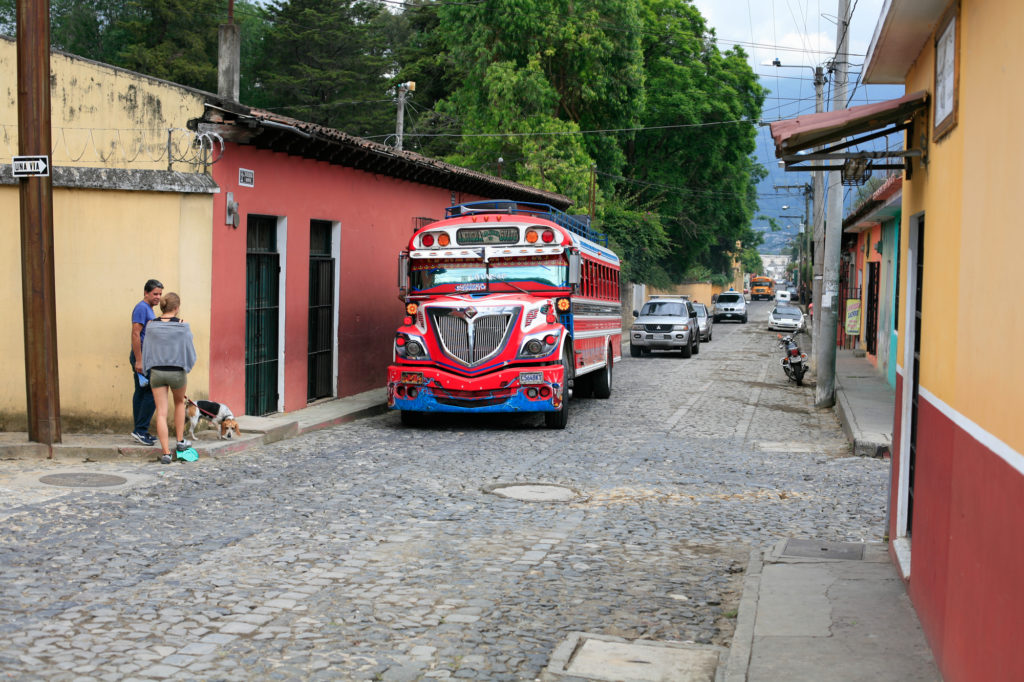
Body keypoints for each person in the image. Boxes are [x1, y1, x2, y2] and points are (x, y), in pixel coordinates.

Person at [142, 292, 197, 463]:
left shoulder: (151, 325)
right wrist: (187, 367)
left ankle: (166, 453)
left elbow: (146, 349)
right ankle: (180, 441)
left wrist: (147, 369)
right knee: (179, 403)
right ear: (177, 308)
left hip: (157, 372)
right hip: (177, 371)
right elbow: (190, 350)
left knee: (161, 413)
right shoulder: (183, 326)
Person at [130, 279, 163, 445]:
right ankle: (140, 430)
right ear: (146, 292)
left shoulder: (148, 308)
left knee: (141, 392)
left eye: (160, 294)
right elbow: (136, 334)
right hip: (143, 357)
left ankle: (140, 430)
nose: (158, 297)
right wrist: (139, 360)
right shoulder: (141, 308)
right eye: (155, 293)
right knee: (152, 392)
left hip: (146, 357)